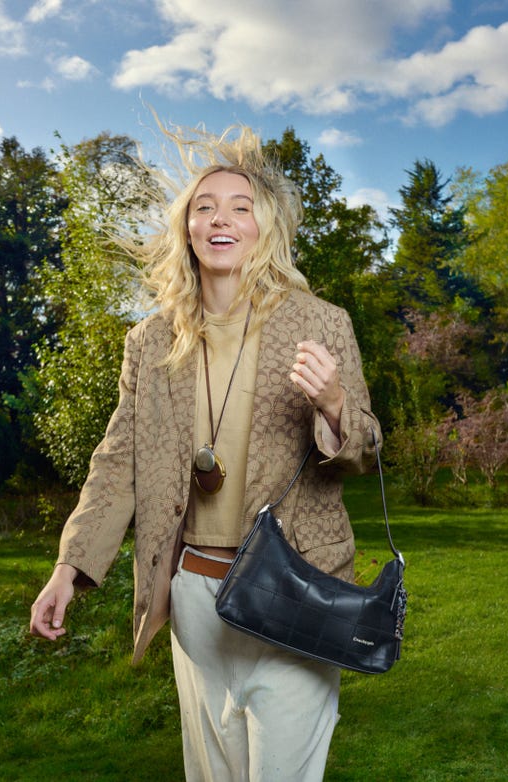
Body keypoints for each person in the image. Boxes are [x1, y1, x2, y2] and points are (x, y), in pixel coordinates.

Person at [29, 122, 381, 781]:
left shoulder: (321, 321)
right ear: (186, 229)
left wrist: (334, 404)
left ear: (264, 229)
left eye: (240, 207)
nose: (221, 218)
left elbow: (365, 446)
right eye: (204, 207)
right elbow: (116, 463)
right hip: (197, 599)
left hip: (298, 594)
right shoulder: (151, 341)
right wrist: (68, 570)